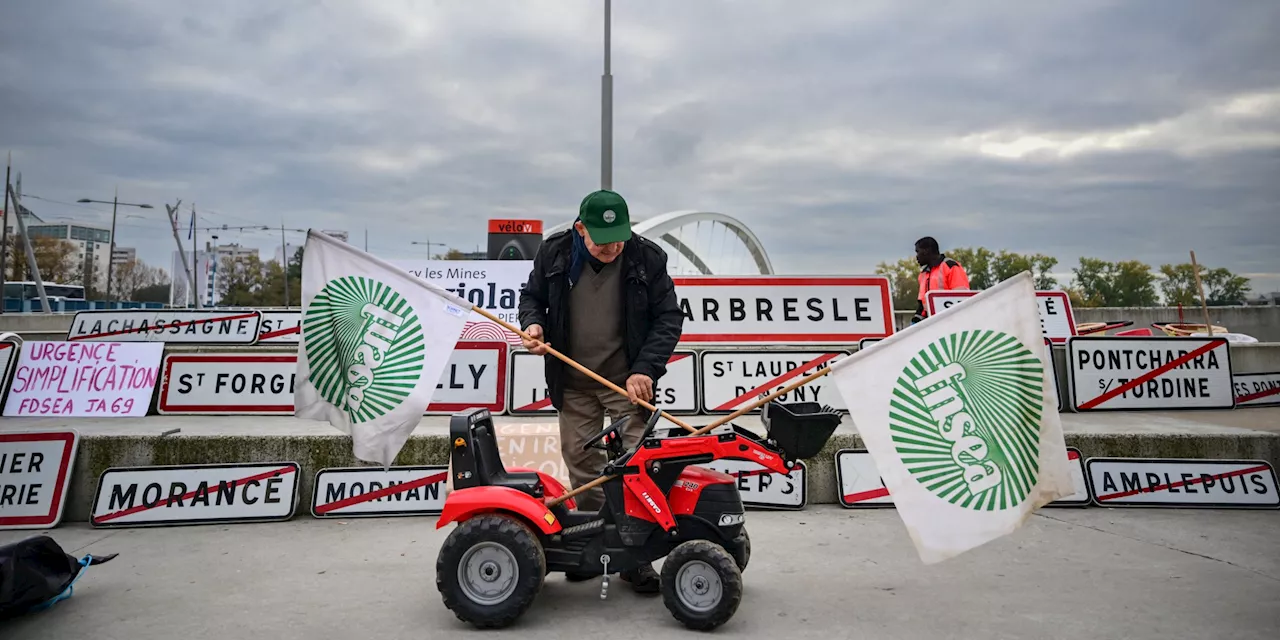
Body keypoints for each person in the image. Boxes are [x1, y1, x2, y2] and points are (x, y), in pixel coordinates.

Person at [517, 188, 684, 593]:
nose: (613, 249)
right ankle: (594, 544)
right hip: (573, 381)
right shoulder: (554, 252)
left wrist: (645, 369)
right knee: (581, 462)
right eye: (603, 242)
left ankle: (636, 557)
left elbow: (668, 318)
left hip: (625, 382)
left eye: (619, 240)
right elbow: (532, 298)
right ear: (580, 230)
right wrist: (533, 325)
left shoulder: (647, 257)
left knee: (637, 465)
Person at [913, 236, 970, 323]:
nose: (916, 256)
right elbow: (922, 305)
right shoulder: (923, 274)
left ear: (926, 251)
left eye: (918, 252)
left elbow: (962, 298)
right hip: (932, 322)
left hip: (952, 320)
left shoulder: (951, 266)